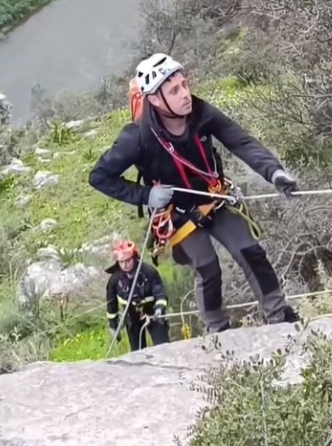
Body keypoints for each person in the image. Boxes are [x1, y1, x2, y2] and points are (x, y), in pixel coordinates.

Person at [89, 52, 301, 334]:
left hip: (214, 198)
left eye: (185, 85)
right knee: (207, 266)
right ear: (154, 99)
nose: (185, 95)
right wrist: (145, 196)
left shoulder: (200, 113)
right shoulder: (137, 136)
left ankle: (279, 315)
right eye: (174, 91)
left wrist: (274, 172)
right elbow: (100, 176)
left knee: (250, 250)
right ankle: (217, 329)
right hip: (177, 214)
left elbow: (241, 141)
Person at [105, 239, 171, 351]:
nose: (125, 265)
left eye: (128, 261)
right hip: (131, 315)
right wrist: (114, 326)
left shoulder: (149, 272)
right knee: (137, 351)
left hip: (153, 312)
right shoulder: (114, 280)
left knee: (163, 347)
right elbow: (111, 307)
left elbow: (160, 293)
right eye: (121, 262)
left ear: (134, 258)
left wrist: (160, 309)